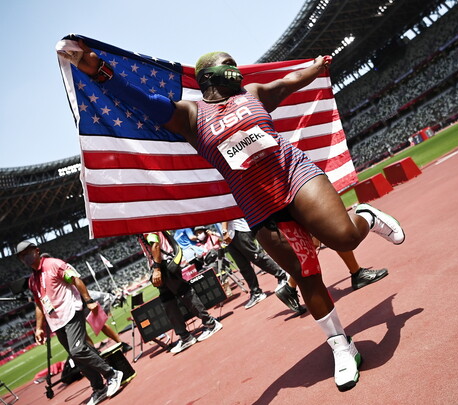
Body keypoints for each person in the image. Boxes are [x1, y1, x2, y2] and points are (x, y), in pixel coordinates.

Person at [75, 42, 405, 391]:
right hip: (259, 205)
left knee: (344, 237)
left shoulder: (255, 93)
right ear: (209, 76)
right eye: (229, 63)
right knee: (306, 275)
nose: (237, 68)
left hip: (294, 174)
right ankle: (341, 347)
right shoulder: (190, 115)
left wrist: (317, 65)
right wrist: (100, 71)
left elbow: (290, 81)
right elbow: (142, 99)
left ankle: (366, 216)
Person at [17, 241, 124, 405]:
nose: (26, 257)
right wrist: (39, 328)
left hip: (71, 312)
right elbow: (39, 304)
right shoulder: (32, 281)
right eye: (22, 256)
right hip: (56, 322)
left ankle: (111, 374)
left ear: (37, 251)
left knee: (78, 349)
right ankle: (98, 388)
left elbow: (75, 279)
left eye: (28, 252)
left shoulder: (54, 264)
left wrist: (88, 300)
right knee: (78, 356)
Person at [139, 231, 222, 354]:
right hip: (162, 266)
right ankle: (185, 336)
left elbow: (155, 245)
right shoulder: (140, 229)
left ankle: (210, 323)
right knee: (168, 302)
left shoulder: (144, 227)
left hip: (164, 265)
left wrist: (156, 268)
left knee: (185, 293)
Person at [221, 218, 304, 312]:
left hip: (238, 229)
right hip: (228, 237)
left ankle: (282, 275)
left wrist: (224, 230)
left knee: (256, 257)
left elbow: (225, 213)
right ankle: (256, 292)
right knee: (243, 266)